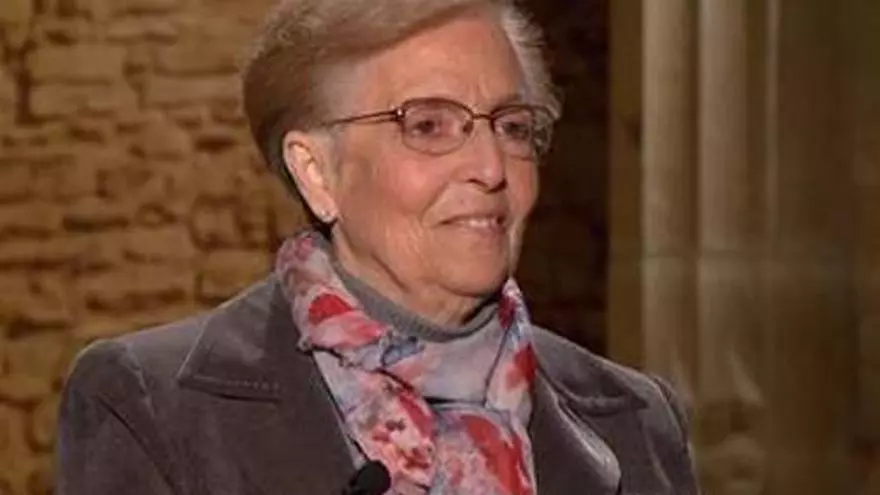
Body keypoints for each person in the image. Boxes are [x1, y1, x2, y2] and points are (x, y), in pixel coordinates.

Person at [55, 0, 699, 493]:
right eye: (428, 125)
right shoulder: (152, 406)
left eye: (510, 126)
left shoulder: (636, 421)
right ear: (317, 172)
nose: (490, 167)